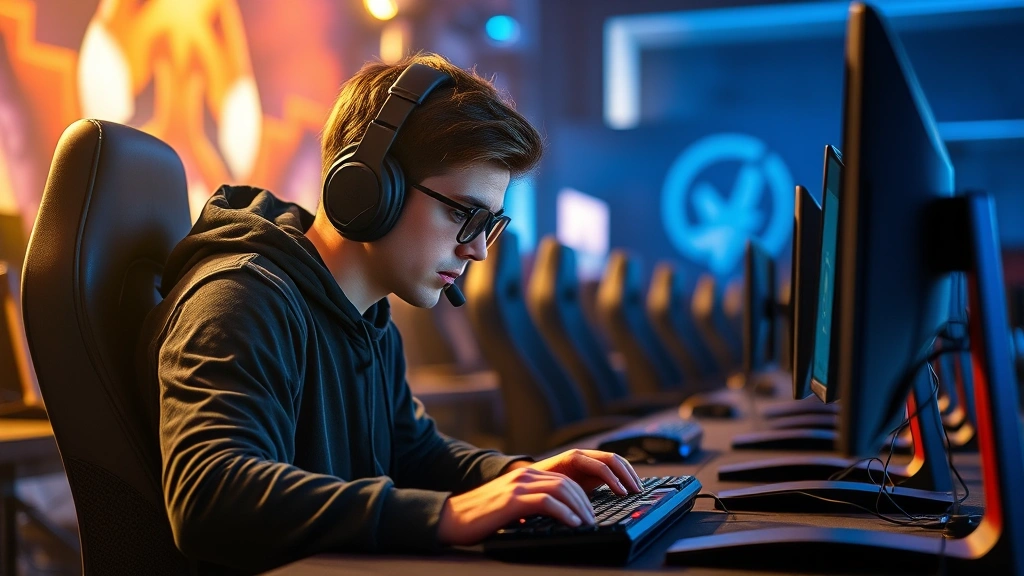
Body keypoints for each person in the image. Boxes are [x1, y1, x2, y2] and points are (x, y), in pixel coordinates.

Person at [139, 53, 643, 575]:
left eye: (489, 224)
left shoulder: (370, 317)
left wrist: (524, 476)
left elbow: (412, 452)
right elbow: (211, 496)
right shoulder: (241, 299)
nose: (478, 252)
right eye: (463, 214)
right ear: (369, 187)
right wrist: (447, 514)